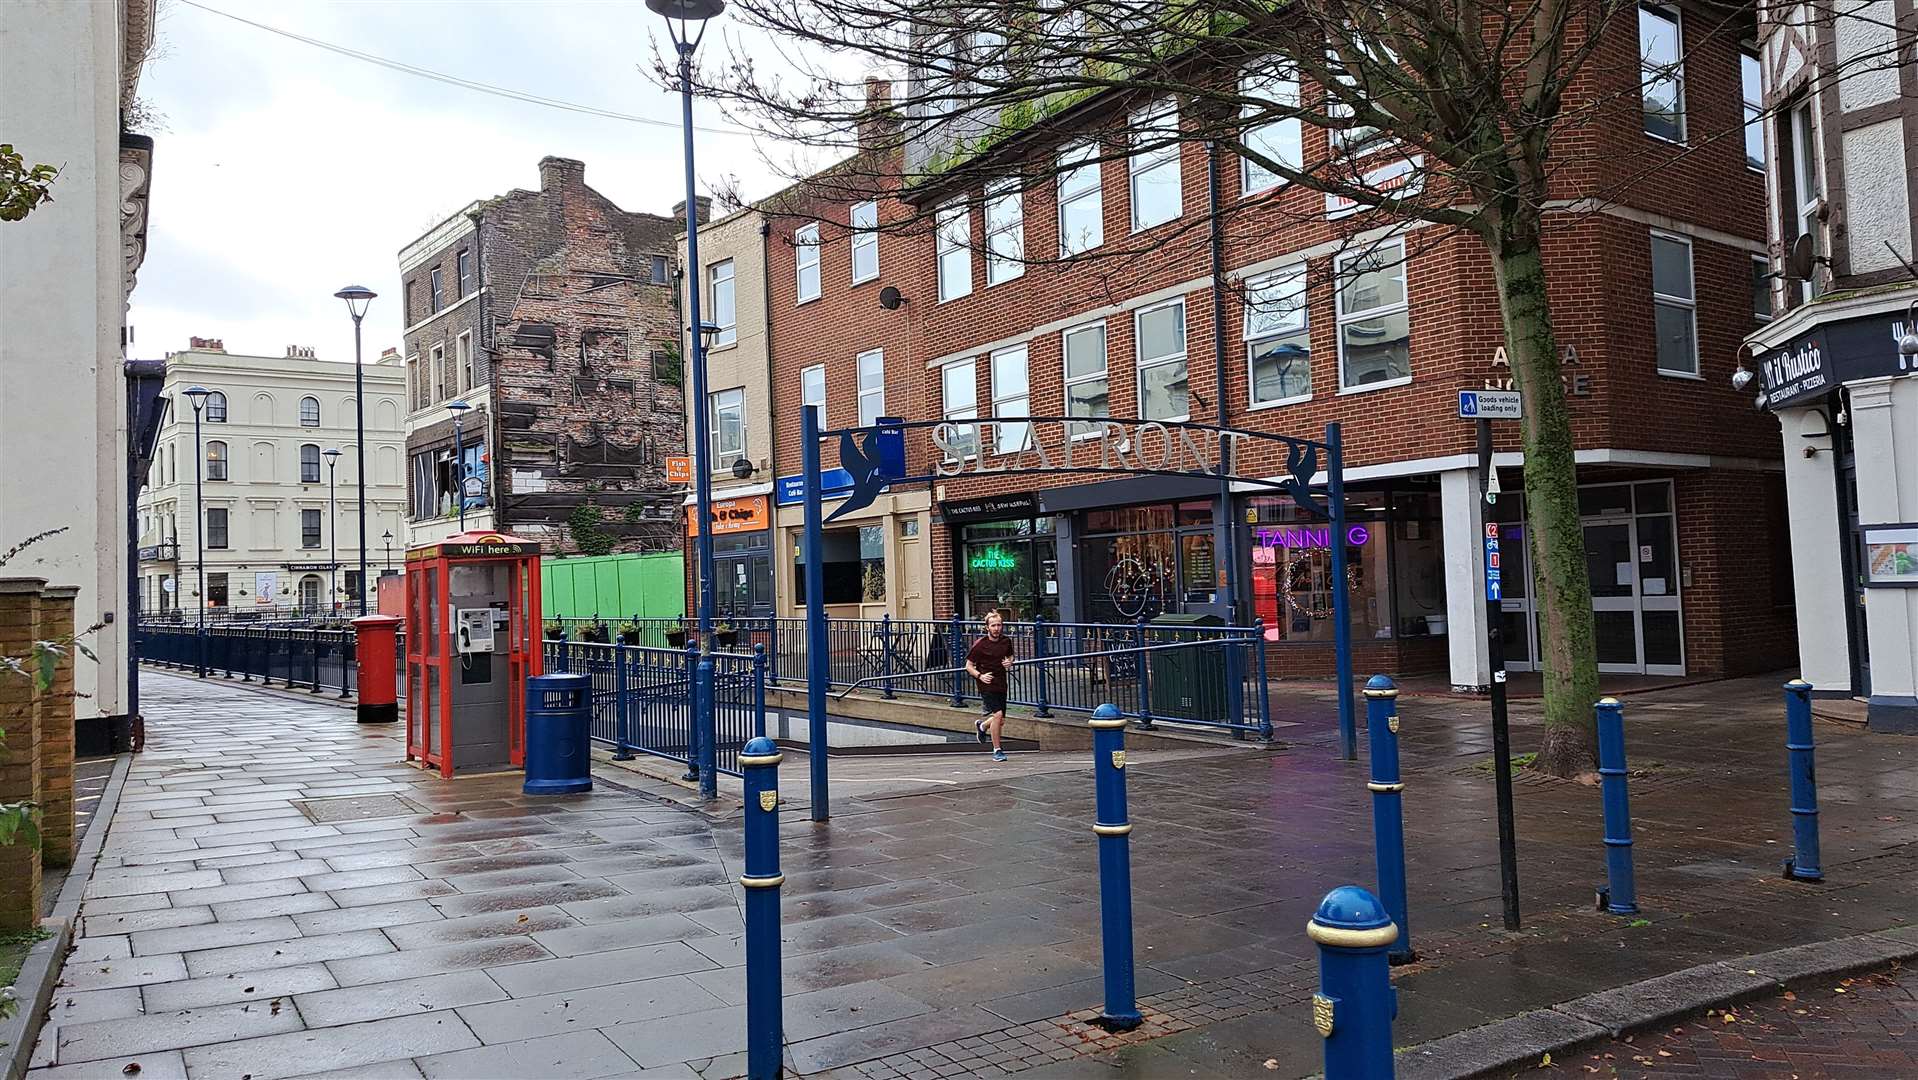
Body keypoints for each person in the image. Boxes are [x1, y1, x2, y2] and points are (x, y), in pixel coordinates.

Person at [966, 611, 1015, 762]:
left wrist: (1010, 662)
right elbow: (968, 666)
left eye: (999, 625)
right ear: (987, 627)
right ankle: (997, 750)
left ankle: (982, 726)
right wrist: (980, 676)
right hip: (986, 684)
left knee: (1000, 720)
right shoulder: (980, 645)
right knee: (998, 715)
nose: (996, 628)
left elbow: (1010, 656)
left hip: (1001, 682)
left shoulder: (1006, 641)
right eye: (993, 625)